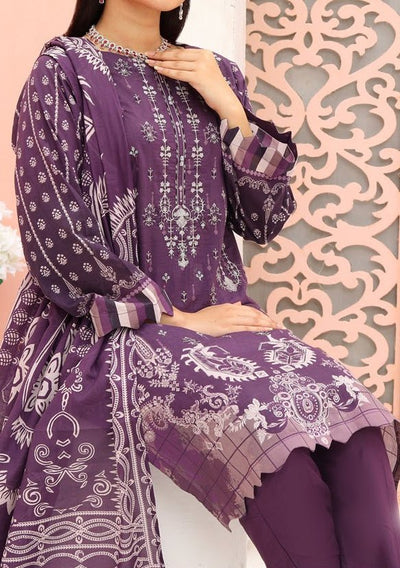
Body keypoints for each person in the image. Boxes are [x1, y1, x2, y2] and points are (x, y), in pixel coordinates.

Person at [0, 1, 399, 566]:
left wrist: (232, 111)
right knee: (276, 454)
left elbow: (262, 219)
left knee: (359, 433)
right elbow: (55, 231)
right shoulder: (63, 71)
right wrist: (173, 316)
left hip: (223, 318)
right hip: (109, 327)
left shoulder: (212, 73)